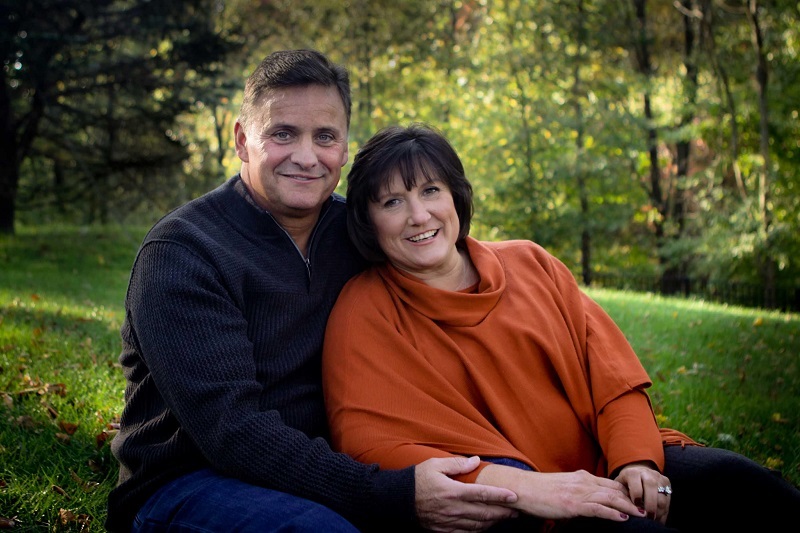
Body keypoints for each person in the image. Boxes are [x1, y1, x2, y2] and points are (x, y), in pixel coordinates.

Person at [105, 51, 522, 533]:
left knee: (506, 499)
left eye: (325, 137)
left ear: (344, 148)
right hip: (192, 483)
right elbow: (231, 433)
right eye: (283, 134)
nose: (307, 157)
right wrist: (389, 494)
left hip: (348, 467)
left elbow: (448, 270)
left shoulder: (363, 234)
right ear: (243, 141)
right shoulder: (184, 251)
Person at [322, 123, 800, 532]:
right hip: (515, 508)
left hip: (603, 461)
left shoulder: (530, 262)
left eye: (430, 191)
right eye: (392, 202)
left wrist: (637, 459)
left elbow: (613, 378)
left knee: (746, 486)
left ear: (455, 196)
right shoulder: (364, 311)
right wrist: (522, 487)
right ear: (369, 220)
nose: (419, 215)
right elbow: (371, 441)